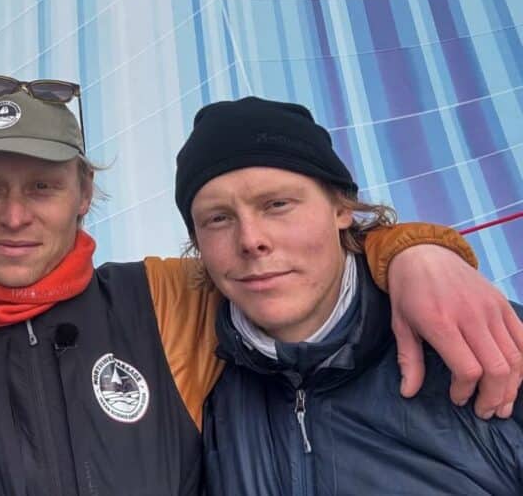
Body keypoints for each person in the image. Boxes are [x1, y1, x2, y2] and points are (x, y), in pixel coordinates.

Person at [0, 77, 519, 495]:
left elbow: (320, 263)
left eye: (42, 186)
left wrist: (419, 253)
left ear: (85, 195)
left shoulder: (167, 298)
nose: (15, 216)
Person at [176, 97, 523, 494]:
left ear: (341, 208)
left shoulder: (487, 339)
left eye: (277, 205)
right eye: (218, 218)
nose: (251, 240)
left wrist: (417, 249)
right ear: (196, 242)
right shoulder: (190, 374)